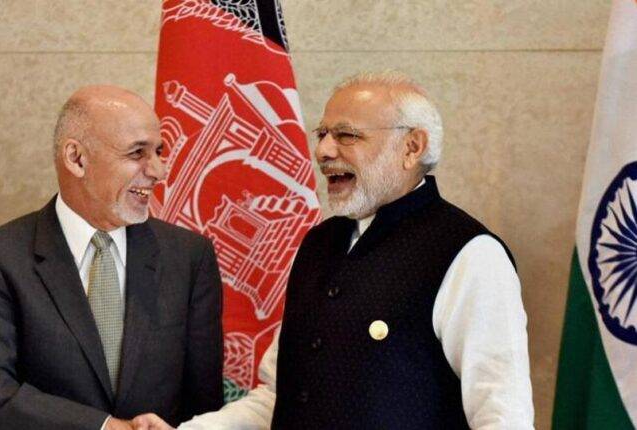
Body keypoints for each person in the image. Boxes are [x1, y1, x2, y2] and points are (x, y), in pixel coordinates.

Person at [136, 70, 534, 429]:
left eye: (347, 135)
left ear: (412, 147)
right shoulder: (319, 243)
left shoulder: (471, 254)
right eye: (322, 134)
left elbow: (503, 417)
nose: (323, 151)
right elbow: (279, 398)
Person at [0, 85, 224, 430]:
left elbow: (204, 407)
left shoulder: (189, 256)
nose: (159, 170)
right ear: (76, 158)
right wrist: (104, 427)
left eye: (158, 151)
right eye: (137, 153)